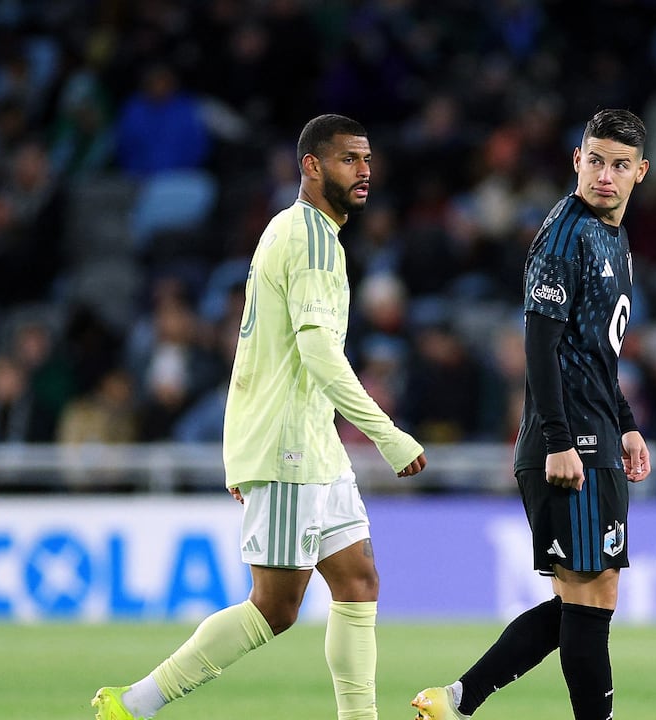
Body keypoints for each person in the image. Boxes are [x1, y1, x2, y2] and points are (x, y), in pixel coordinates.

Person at [92, 114, 427, 720]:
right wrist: (388, 434)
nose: (365, 172)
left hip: (308, 443)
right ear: (312, 165)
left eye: (368, 160)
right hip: (290, 447)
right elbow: (318, 353)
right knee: (275, 608)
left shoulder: (290, 229)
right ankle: (135, 703)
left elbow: (256, 354)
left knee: (358, 581)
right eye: (349, 159)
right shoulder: (314, 239)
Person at [411, 109, 652, 720]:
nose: (605, 175)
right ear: (577, 160)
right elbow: (538, 346)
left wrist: (624, 421)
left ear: (639, 173)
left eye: (619, 165)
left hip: (595, 432)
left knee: (590, 597)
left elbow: (595, 352)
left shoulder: (614, 239)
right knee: (587, 594)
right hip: (570, 442)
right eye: (595, 160)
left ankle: (457, 699)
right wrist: (559, 440)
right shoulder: (565, 235)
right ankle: (466, 701)